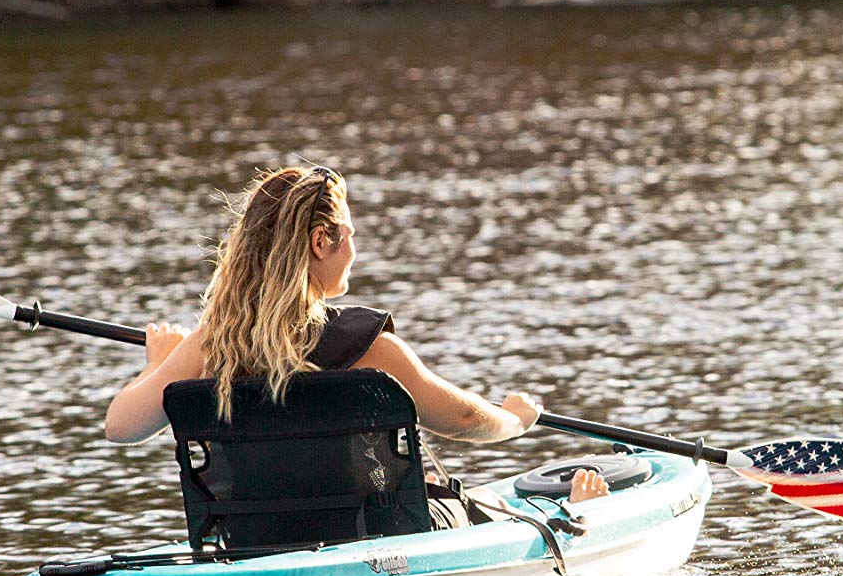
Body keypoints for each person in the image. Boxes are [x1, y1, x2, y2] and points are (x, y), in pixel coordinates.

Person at [104, 165, 607, 514]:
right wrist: (518, 418)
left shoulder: (212, 345)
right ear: (322, 241)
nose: (355, 247)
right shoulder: (369, 348)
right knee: (494, 504)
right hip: (373, 541)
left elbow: (122, 427)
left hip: (254, 539)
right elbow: (465, 418)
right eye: (351, 233)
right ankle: (580, 516)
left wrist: (159, 365)